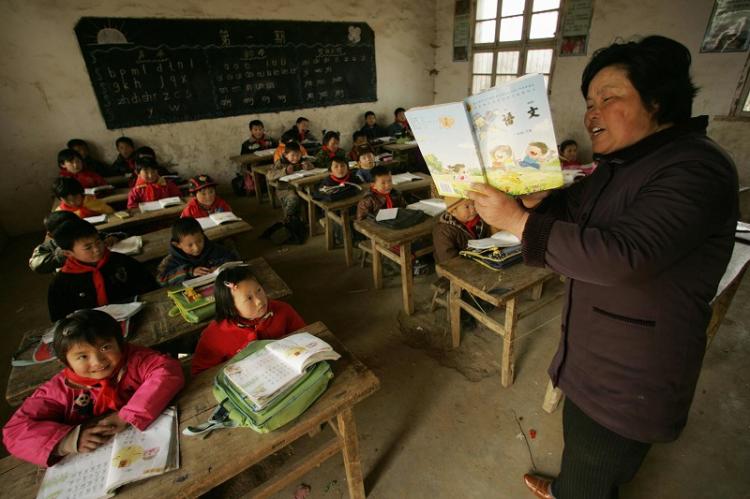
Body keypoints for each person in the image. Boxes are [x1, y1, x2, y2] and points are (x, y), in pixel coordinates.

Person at [467, 36, 738, 499]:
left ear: (658, 101)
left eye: (609, 98)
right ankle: (568, 488)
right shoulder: (627, 164)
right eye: (589, 103)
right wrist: (541, 200)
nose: (592, 114)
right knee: (585, 448)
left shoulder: (695, 169)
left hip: (633, 374)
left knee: (599, 461)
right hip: (597, 354)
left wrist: (516, 219)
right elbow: (582, 214)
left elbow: (624, 255)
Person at [2, 309, 184, 467]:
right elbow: (15, 431)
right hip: (91, 460)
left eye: (105, 347)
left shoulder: (134, 360)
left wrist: (126, 416)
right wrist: (67, 441)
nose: (97, 361)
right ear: (65, 362)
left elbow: (167, 371)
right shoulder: (60, 390)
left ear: (120, 343)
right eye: (82, 356)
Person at [191, 265, 306, 375]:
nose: (259, 301)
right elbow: (201, 372)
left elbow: (305, 337)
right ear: (231, 307)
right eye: (249, 298)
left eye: (259, 290)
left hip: (286, 371)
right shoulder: (215, 335)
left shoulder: (283, 310)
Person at [47, 218, 158, 321]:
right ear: (68, 253)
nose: (97, 249)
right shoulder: (60, 284)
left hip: (137, 318)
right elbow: (60, 320)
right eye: (88, 247)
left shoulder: (122, 262)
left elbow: (151, 289)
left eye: (98, 242)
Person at [30, 211, 126, 274]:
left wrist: (112, 237)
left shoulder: (85, 235)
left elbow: (121, 234)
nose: (74, 233)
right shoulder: (47, 246)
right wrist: (63, 253)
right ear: (50, 235)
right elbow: (36, 265)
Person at [156, 217, 239, 287]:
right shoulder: (172, 259)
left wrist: (219, 267)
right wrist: (189, 272)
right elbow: (161, 279)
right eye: (190, 245)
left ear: (203, 235)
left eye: (199, 241)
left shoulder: (212, 248)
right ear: (178, 245)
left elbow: (233, 258)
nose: (196, 248)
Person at [432, 197, 491, 264]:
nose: (473, 209)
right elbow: (448, 259)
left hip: (481, 261)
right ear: (453, 212)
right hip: (456, 267)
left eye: (474, 204)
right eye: (467, 207)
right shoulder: (443, 231)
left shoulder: (481, 222)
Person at [267, 141, 315, 221]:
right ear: (286, 155)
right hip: (285, 189)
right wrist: (284, 171)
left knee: (313, 197)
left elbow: (313, 167)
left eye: (298, 155)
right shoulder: (280, 163)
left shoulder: (302, 161)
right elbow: (269, 175)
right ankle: (288, 221)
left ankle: (307, 220)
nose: (296, 158)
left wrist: (309, 166)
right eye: (292, 155)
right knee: (293, 200)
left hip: (301, 187)